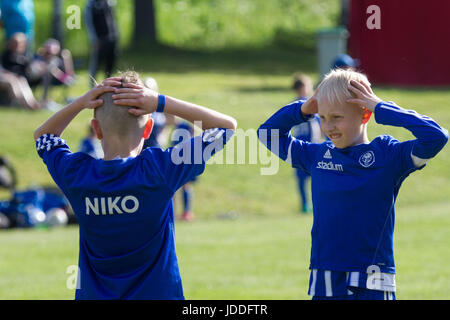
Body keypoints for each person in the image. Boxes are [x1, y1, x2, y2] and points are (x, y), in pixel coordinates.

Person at [34, 71, 237, 299]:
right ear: (149, 129)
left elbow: (43, 135)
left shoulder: (77, 174)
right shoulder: (159, 169)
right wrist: (161, 102)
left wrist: (82, 102)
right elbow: (225, 127)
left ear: (96, 129)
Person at [258, 69, 448, 300]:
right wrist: (302, 109)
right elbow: (267, 134)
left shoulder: (388, 155)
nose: (328, 127)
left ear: (365, 114)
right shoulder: (316, 156)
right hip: (326, 274)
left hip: (375, 277)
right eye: (323, 117)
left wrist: (381, 107)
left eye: (337, 117)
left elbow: (436, 137)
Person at [290, 73, 323, 213]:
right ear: (303, 87)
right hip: (311, 145)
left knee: (301, 180)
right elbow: (317, 124)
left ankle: (305, 205)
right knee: (318, 177)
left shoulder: (293, 105)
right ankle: (318, 204)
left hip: (297, 146)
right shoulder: (309, 105)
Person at [84, 0, 119, 87]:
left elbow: (113, 20)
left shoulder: (109, 3)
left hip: (111, 38)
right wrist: (94, 39)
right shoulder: (91, 4)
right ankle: (92, 87)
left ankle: (109, 86)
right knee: (96, 65)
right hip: (100, 40)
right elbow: (89, 23)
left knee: (110, 64)